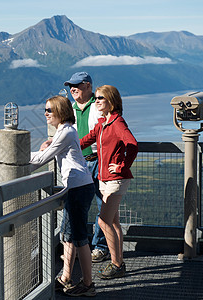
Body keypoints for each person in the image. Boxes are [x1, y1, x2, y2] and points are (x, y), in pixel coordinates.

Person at [30, 95, 96, 297]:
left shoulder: (66, 132)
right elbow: (49, 151)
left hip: (78, 188)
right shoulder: (65, 131)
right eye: (45, 110)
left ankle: (88, 285)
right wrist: (49, 145)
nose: (46, 113)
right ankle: (66, 277)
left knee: (80, 238)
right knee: (68, 236)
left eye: (49, 110)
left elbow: (42, 159)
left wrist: (15, 159)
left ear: (59, 111)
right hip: (77, 187)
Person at [79, 85, 138, 279]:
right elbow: (85, 141)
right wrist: (59, 143)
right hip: (104, 179)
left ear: (111, 101)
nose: (96, 101)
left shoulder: (117, 122)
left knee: (104, 221)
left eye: (100, 98)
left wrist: (122, 166)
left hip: (115, 179)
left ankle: (116, 263)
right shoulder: (103, 123)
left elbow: (133, 144)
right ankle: (118, 261)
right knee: (113, 221)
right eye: (95, 98)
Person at [64, 71, 110, 263]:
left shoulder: (99, 105)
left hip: (98, 160)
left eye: (76, 85)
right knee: (76, 206)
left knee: (103, 206)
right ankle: (77, 244)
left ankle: (100, 247)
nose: (72, 89)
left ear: (88, 86)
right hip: (79, 163)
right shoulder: (70, 109)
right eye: (70, 86)